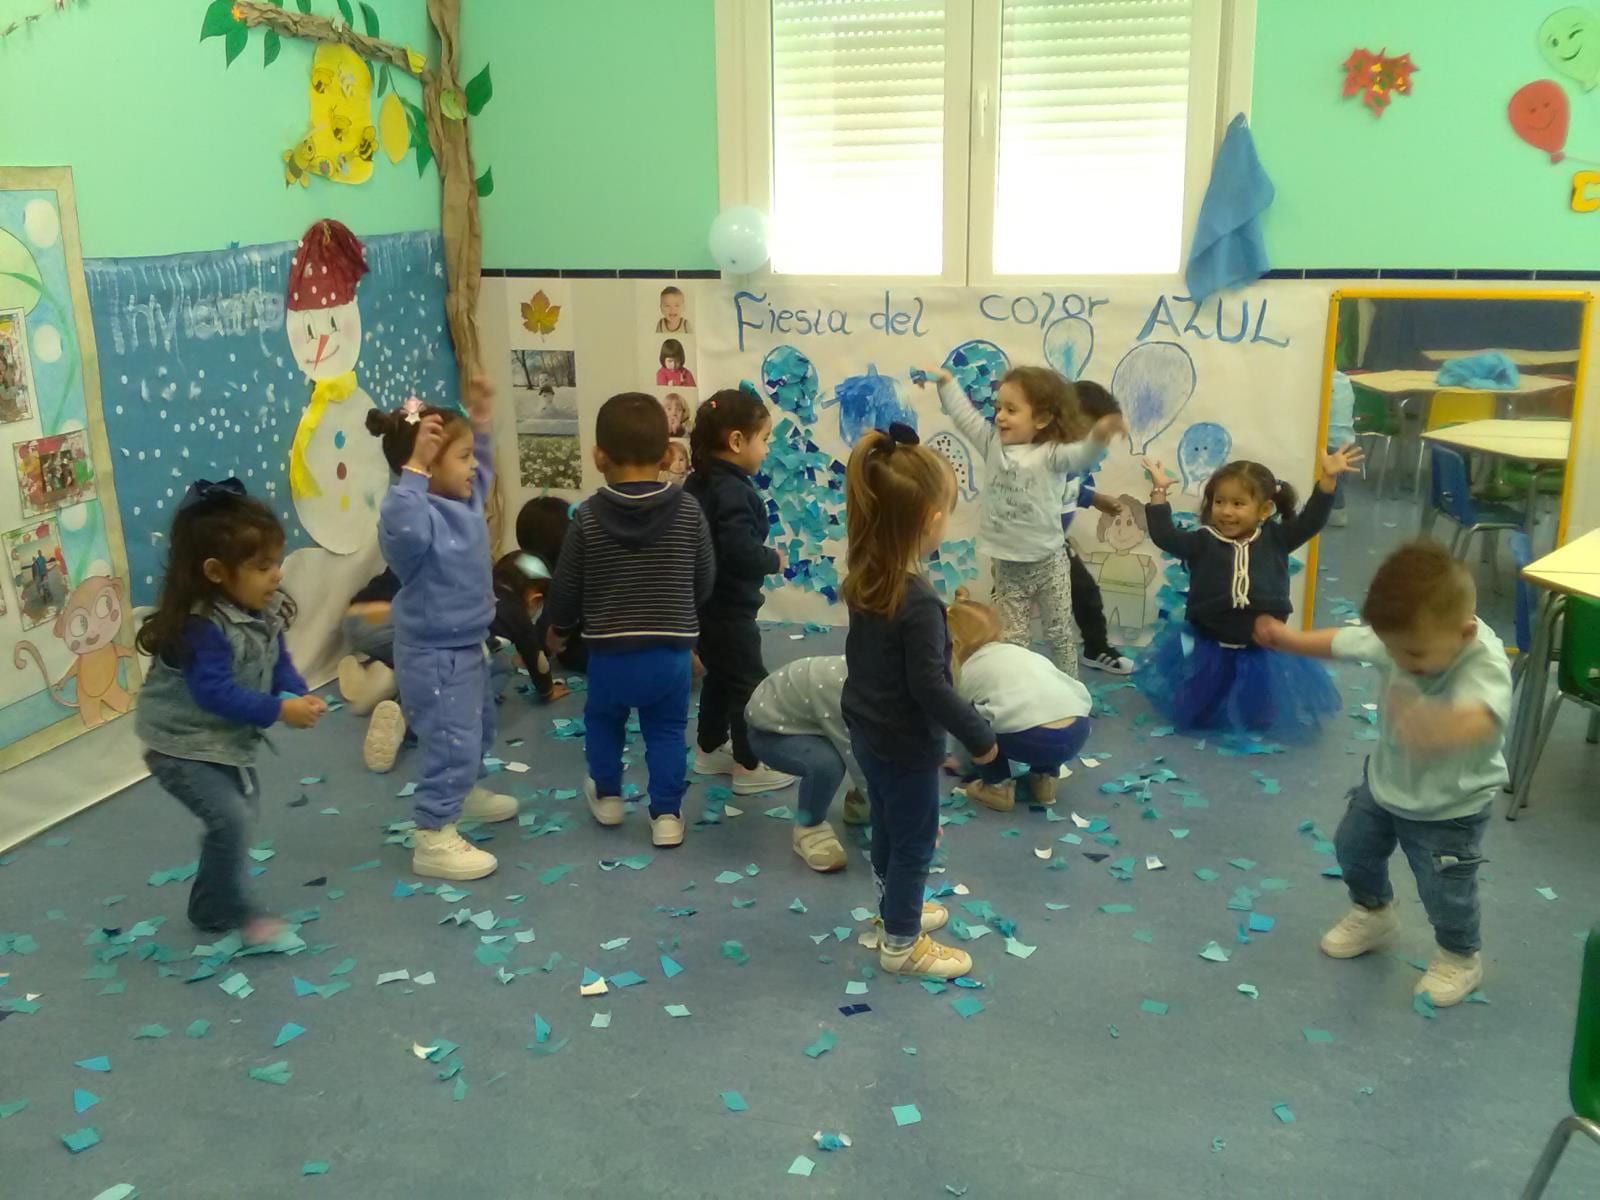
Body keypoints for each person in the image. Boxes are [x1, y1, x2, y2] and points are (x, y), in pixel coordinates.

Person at [1254, 542, 1510, 1007]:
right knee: (1353, 847)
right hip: (1386, 782)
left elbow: (1484, 718)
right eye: (1391, 648)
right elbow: (1343, 642)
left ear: (1465, 633)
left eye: (1411, 655)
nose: (1398, 660)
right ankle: (1373, 911)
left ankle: (1459, 957)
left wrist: (1434, 728)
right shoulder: (1405, 634)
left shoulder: (1483, 660)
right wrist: (1289, 640)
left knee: (1445, 890)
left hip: (1449, 807)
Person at [133, 477, 325, 947]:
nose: (276, 575)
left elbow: (278, 662)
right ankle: (239, 915)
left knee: (238, 817)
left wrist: (296, 693)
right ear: (217, 571)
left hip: (223, 741)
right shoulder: (202, 626)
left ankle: (207, 905)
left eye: (277, 562)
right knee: (232, 820)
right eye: (262, 567)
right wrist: (280, 712)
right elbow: (214, 693)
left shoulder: (263, 606)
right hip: (177, 745)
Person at [841, 424, 997, 979]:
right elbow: (932, 687)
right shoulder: (920, 602)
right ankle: (902, 945)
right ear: (931, 521)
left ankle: (892, 913)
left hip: (868, 731)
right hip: (905, 743)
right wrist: (979, 737)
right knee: (912, 844)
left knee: (887, 827)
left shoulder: (868, 574)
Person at [546, 391, 714, 846]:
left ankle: (608, 798)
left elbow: (566, 586)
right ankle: (666, 816)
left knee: (604, 721)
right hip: (669, 654)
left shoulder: (587, 518)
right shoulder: (689, 511)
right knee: (666, 730)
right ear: (665, 456)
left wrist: (558, 630)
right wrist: (686, 620)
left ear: (598, 456)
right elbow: (704, 577)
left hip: (609, 654)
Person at [368, 385, 518, 882]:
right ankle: (433, 834)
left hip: (467, 644)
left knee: (478, 729)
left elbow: (486, 473)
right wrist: (412, 471)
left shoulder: (461, 502)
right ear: (426, 468)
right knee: (450, 741)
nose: (473, 466)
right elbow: (403, 532)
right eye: (462, 457)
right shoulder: (413, 514)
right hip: (433, 654)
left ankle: (465, 793)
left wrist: (480, 427)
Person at [1133, 451, 1363, 742]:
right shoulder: (1203, 541)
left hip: (1260, 642)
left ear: (1264, 510)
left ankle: (1251, 712)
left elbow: (1311, 521)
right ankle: (1209, 709)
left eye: (1238, 504)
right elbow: (1165, 536)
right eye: (1219, 502)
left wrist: (1328, 480)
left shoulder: (1277, 539)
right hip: (1212, 638)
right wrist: (1159, 491)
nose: (1226, 511)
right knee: (1207, 691)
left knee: (1258, 700)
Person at [923, 364, 1125, 676]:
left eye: (1011, 410)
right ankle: (1018, 688)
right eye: (998, 408)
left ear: (1042, 418)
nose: (1000, 416)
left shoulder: (1052, 454)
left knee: (1059, 632)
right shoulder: (992, 444)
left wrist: (1099, 435)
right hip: (1009, 564)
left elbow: (1081, 456)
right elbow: (964, 417)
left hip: (1050, 561)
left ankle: (1068, 688)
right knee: (1014, 638)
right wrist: (947, 382)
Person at [684, 385, 795, 795]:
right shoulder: (733, 491)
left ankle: (710, 747)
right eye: (764, 440)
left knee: (721, 677)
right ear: (736, 441)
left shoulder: (699, 483)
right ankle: (750, 764)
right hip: (729, 610)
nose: (766, 450)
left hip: (703, 609)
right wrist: (773, 559)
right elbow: (738, 552)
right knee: (749, 684)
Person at [946, 593, 1093, 811]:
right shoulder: (1019, 652)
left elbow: (963, 724)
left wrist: (962, 764)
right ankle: (1045, 780)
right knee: (1039, 707)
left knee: (972, 717)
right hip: (1078, 730)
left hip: (1030, 739)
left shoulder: (967, 671)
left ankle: (997, 787)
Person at [745, 656, 872, 873]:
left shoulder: (874, 679)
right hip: (771, 732)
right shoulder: (845, 693)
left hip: (809, 719)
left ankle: (860, 802)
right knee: (827, 764)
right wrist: (891, 807)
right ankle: (809, 827)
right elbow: (853, 749)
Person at [1061, 379, 1135, 673]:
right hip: (1024, 546)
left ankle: (1096, 647)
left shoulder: (1072, 463)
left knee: (1085, 592)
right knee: (1012, 605)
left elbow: (1069, 489)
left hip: (1055, 545)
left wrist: (1094, 498)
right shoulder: (1042, 455)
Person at [335, 567, 408, 773]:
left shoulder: (409, 547)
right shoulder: (454, 565)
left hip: (355, 620)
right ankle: (402, 715)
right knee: (432, 662)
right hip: (391, 620)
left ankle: (373, 673)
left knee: (403, 651)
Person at [516, 495, 587, 677]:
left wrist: (534, 652)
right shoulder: (588, 556)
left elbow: (553, 621)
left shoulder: (559, 576)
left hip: (584, 655)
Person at [489, 550, 569, 703]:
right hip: (467, 669)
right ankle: (482, 700)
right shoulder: (519, 617)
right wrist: (547, 691)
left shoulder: (482, 590)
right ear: (535, 600)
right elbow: (536, 660)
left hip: (440, 655)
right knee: (505, 666)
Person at [1326, 369, 1356, 528]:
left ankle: (1337, 511)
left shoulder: (1322, 381)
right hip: (1347, 441)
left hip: (1329, 442)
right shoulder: (1344, 380)